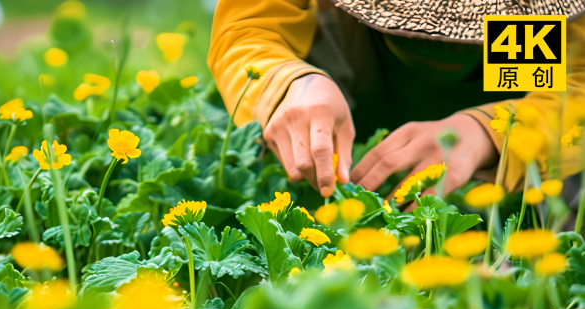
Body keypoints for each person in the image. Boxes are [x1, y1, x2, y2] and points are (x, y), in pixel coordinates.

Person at [208, 0, 585, 199]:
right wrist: (291, 84)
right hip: (347, 75)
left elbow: (576, 87)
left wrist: (489, 133)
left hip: (515, 34)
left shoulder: (529, 16)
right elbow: (250, 32)